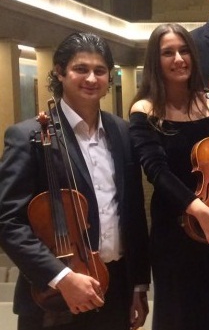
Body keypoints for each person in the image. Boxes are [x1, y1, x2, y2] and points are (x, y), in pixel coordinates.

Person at [0, 32, 150, 330]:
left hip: (115, 289)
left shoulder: (121, 131)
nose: (91, 78)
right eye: (81, 69)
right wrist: (62, 277)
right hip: (54, 296)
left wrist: (138, 286)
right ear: (60, 72)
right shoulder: (28, 136)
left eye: (99, 70)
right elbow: (7, 221)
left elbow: (131, 214)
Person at [129, 23, 209, 330]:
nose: (178, 59)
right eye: (168, 53)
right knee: (181, 316)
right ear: (155, 61)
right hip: (175, 232)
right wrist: (199, 211)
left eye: (183, 51)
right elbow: (157, 171)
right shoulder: (144, 110)